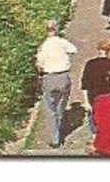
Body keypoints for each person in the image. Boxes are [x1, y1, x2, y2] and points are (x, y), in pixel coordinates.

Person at [34, 19, 77, 148]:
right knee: (60, 106)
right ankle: (58, 130)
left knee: (50, 107)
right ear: (56, 29)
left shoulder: (44, 46)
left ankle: (55, 137)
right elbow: (74, 49)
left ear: (46, 30)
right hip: (63, 76)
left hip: (49, 77)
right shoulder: (61, 42)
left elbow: (39, 64)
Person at [79, 41, 110, 139]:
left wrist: (85, 101)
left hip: (93, 96)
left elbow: (84, 84)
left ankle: (95, 135)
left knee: (93, 116)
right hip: (108, 96)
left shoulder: (90, 64)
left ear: (98, 50)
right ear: (109, 51)